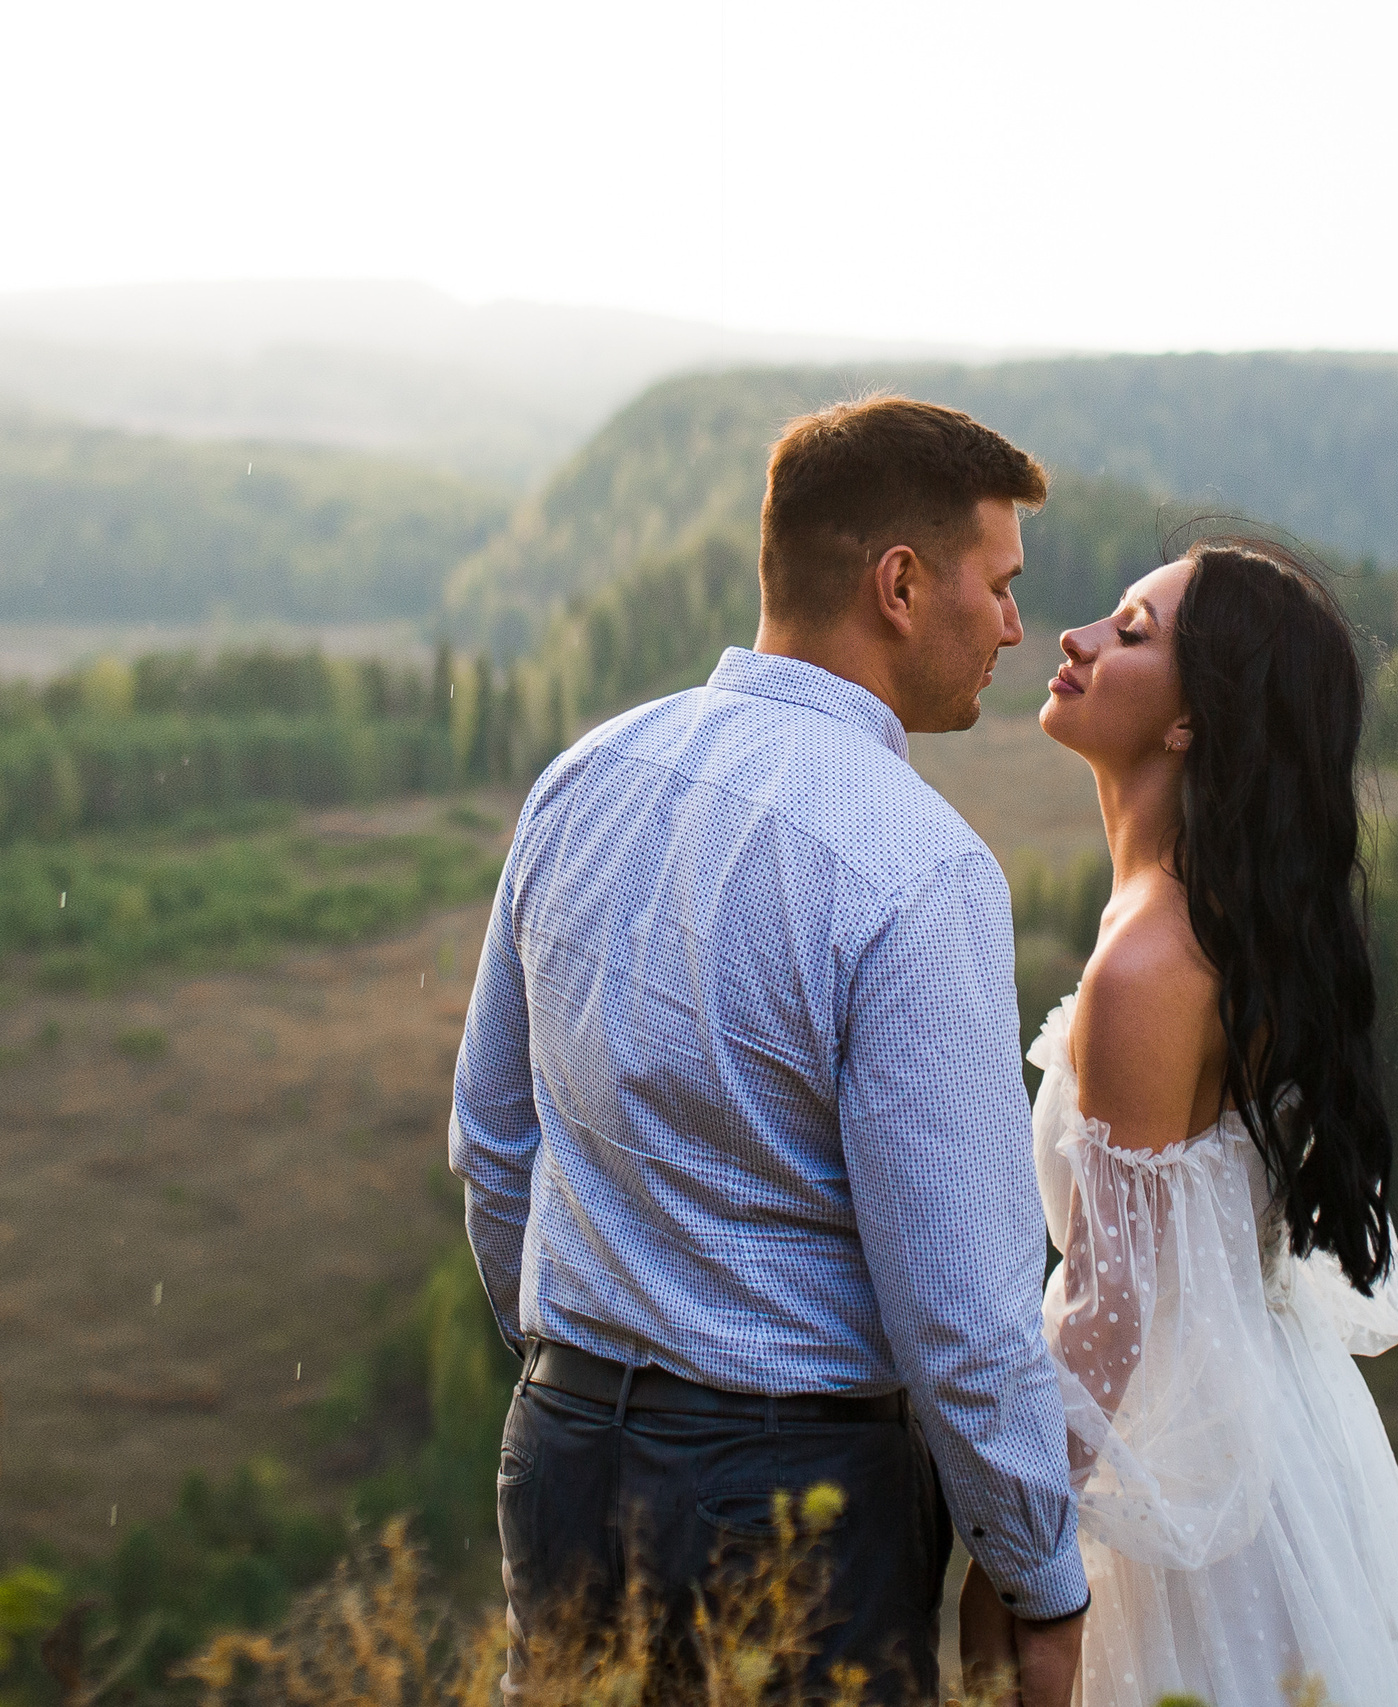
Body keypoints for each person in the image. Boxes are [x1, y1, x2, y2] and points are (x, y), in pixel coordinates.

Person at [450, 396, 1089, 1706]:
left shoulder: (582, 777)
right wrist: (1040, 1579)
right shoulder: (919, 867)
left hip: (560, 1455)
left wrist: (582, 1375)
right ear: (899, 586)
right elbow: (963, 1317)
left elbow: (494, 1141)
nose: (1014, 627)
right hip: (790, 1502)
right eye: (1000, 584)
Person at [1010, 535, 1398, 1706]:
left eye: (1130, 632)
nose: (1075, 638)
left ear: (1191, 721)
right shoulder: (1221, 923)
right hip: (1280, 1439)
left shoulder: (1149, 964)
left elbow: (1109, 1311)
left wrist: (1013, 1558)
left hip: (1195, 1497)